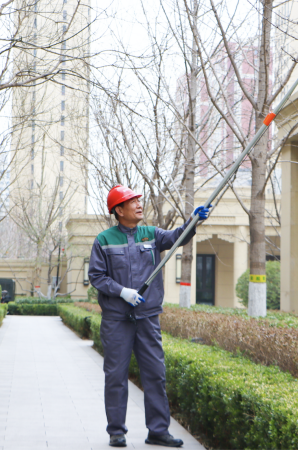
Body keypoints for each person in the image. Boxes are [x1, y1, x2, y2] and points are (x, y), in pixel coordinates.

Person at [88, 185, 210, 448]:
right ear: (119, 210)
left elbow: (178, 236)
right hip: (117, 320)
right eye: (131, 201)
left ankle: (158, 431)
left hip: (147, 318)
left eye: (137, 200)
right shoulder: (104, 240)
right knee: (116, 376)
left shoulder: (152, 234)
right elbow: (97, 276)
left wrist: (193, 221)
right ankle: (117, 432)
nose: (138, 204)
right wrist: (122, 292)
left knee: (155, 374)